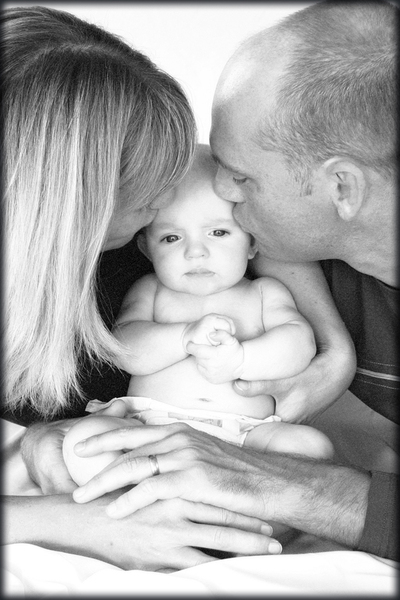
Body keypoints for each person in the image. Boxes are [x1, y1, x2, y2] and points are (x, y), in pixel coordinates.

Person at [69, 1, 398, 561]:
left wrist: (296, 491)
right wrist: (334, 346)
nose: (219, 191)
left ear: (343, 189)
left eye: (240, 176)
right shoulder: (302, 245)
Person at [2, 5, 289, 571]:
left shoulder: (131, 255)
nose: (168, 200)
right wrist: (72, 523)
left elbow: (245, 206)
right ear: (71, 196)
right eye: (151, 182)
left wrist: (331, 342)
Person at [63, 145, 334, 487]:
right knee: (83, 441)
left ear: (252, 242)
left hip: (246, 438)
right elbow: (124, 348)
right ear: (147, 249)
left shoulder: (264, 292)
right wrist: (183, 337)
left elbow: (299, 344)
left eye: (218, 233)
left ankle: (229, 512)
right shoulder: (151, 290)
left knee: (311, 447)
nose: (195, 252)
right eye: (171, 238)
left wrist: (242, 359)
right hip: (148, 426)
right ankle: (146, 505)